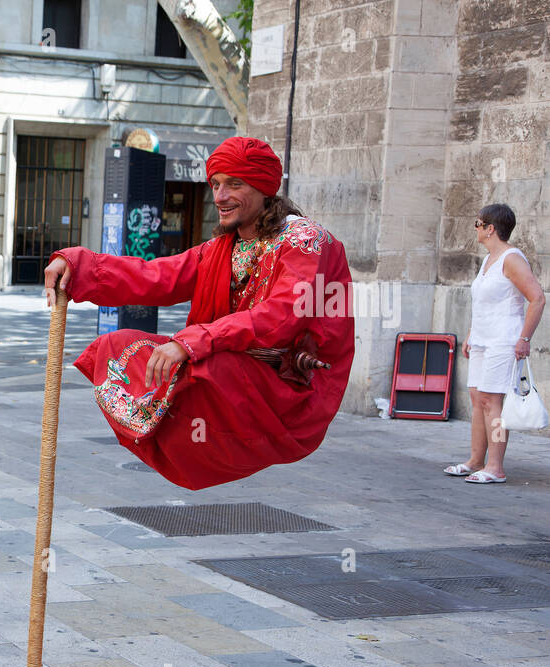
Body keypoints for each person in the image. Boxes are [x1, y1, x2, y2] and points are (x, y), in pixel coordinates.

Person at [46, 136, 355, 490]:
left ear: (264, 187)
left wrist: (192, 341)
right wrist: (80, 265)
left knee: (202, 368)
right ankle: (173, 435)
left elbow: (283, 313)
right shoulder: (222, 247)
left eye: (234, 184)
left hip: (285, 388)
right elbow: (157, 277)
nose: (220, 197)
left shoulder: (306, 241)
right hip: (234, 371)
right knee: (116, 345)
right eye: (216, 184)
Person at [444, 203, 545, 484]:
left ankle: (495, 466)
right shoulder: (489, 260)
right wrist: (471, 335)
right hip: (482, 340)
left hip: (504, 341)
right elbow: (486, 303)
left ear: (491, 228)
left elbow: (537, 298)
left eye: (478, 223)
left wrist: (524, 338)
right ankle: (475, 461)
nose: (475, 228)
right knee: (477, 399)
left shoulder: (512, 258)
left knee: (493, 403)